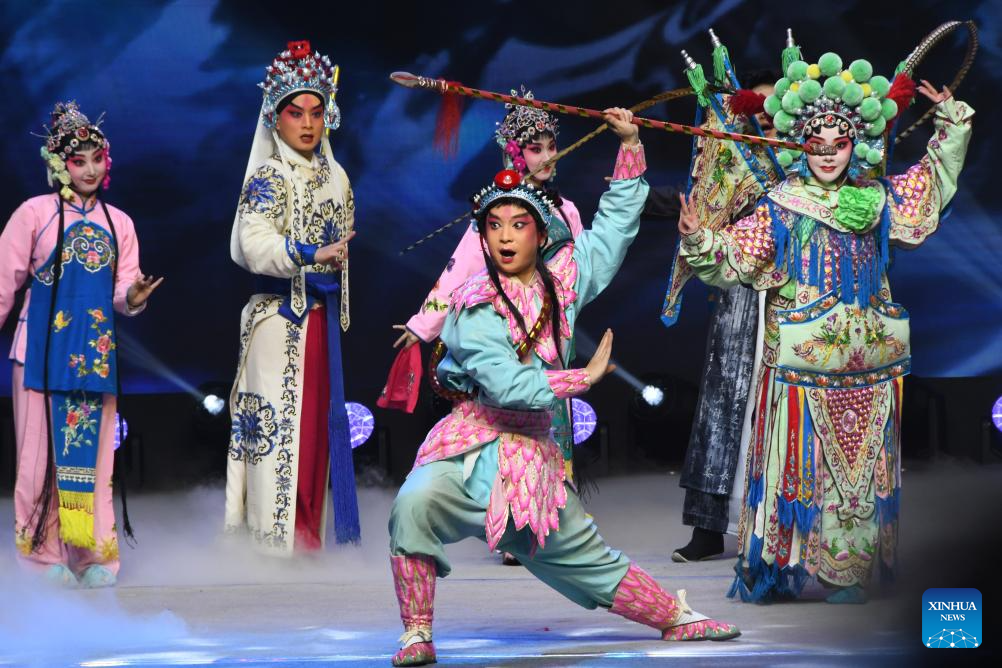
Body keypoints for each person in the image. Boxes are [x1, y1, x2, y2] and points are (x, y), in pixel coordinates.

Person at [387, 108, 739, 667]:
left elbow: (616, 228)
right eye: (494, 225)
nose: (505, 236)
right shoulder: (475, 303)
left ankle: (674, 616)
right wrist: (583, 377)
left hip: (530, 452)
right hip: (471, 441)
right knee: (414, 502)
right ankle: (416, 633)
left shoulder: (566, 280)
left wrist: (630, 146)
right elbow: (505, 385)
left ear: (540, 232)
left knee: (585, 554)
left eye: (518, 224)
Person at [679, 48, 973, 602]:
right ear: (801, 143)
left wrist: (951, 122)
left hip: (869, 369)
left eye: (840, 144)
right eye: (818, 144)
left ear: (853, 143)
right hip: (801, 367)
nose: (830, 155)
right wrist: (700, 239)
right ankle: (781, 567)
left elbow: (930, 183)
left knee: (858, 475)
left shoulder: (876, 199)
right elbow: (735, 257)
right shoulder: (782, 205)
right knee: (795, 467)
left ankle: (849, 570)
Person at [389, 87, 586, 566]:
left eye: (549, 145)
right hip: (508, 336)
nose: (546, 155)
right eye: (534, 147)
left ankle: (550, 518)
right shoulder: (501, 212)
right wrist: (423, 324)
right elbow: (459, 271)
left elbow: (581, 273)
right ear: (515, 155)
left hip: (551, 332)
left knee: (553, 425)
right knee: (511, 432)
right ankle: (512, 523)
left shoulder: (567, 211)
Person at [0, 101, 161, 587]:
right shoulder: (35, 213)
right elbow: (4, 281)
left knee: (94, 461)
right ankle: (42, 559)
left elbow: (123, 291)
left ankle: (93, 558)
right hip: (40, 354)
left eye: (97, 158)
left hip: (92, 355)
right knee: (37, 461)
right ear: (59, 165)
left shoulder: (121, 224)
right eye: (78, 160)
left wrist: (132, 297)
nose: (89, 168)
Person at [224, 40, 358, 555]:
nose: (307, 123)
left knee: (316, 435)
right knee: (277, 433)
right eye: (295, 112)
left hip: (319, 320)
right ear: (274, 118)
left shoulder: (336, 176)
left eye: (316, 112)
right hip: (279, 320)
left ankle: (309, 538)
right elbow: (253, 243)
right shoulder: (268, 176)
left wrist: (333, 258)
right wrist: (309, 252)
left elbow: (344, 237)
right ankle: (270, 543)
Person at [647, 67, 782, 563]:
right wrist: (631, 189)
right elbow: (695, 203)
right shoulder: (732, 165)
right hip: (742, 293)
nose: (767, 119)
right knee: (724, 404)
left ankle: (780, 524)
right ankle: (708, 526)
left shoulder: (812, 165)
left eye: (776, 109)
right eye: (758, 110)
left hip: (797, 301)